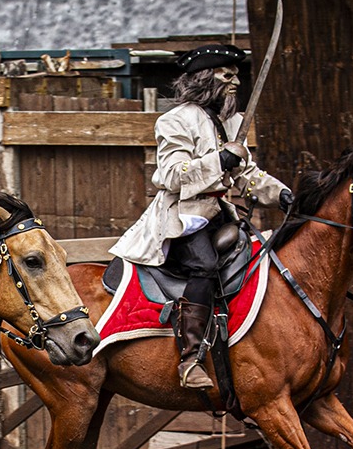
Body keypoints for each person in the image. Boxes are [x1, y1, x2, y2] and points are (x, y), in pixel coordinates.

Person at [109, 43, 294, 390]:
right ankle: (190, 358)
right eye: (228, 75)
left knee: (256, 255)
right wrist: (220, 161)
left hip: (220, 214)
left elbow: (248, 176)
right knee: (204, 265)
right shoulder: (176, 120)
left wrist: (282, 195)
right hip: (183, 218)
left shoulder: (233, 121)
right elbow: (171, 175)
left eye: (237, 75)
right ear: (207, 77)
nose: (236, 81)